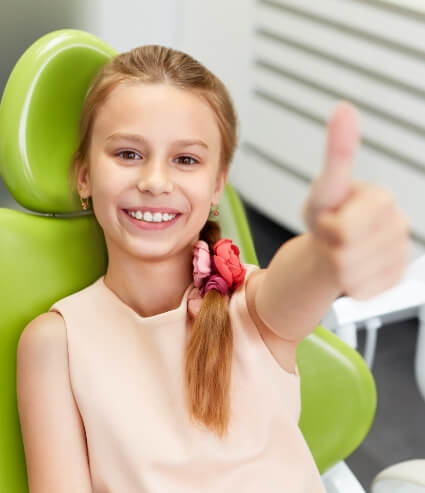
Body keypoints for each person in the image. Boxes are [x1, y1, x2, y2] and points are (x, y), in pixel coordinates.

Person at [16, 44, 410, 493]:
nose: (155, 182)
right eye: (128, 154)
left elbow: (302, 278)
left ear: (217, 185)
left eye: (186, 160)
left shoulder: (252, 304)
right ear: (84, 175)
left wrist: (329, 251)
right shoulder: (56, 343)